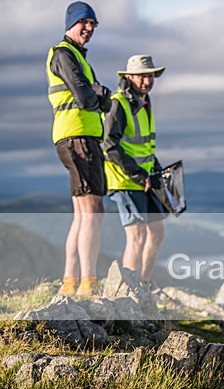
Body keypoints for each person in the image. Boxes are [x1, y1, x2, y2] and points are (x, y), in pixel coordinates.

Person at [47, 2, 110, 297]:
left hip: (80, 138)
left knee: (83, 214)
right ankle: (88, 284)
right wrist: (96, 91)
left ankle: (70, 282)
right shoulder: (64, 55)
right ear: (70, 23)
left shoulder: (80, 59)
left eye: (93, 24)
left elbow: (104, 98)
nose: (89, 29)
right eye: (84, 22)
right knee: (93, 210)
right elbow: (87, 98)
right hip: (77, 138)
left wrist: (98, 92)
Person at [102, 55, 168, 283]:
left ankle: (143, 284)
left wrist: (157, 172)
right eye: (141, 76)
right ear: (129, 77)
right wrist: (137, 174)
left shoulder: (145, 103)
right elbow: (109, 143)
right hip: (125, 179)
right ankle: (128, 292)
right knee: (137, 235)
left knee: (157, 233)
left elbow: (145, 147)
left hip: (146, 179)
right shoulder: (118, 103)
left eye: (150, 76)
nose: (146, 81)